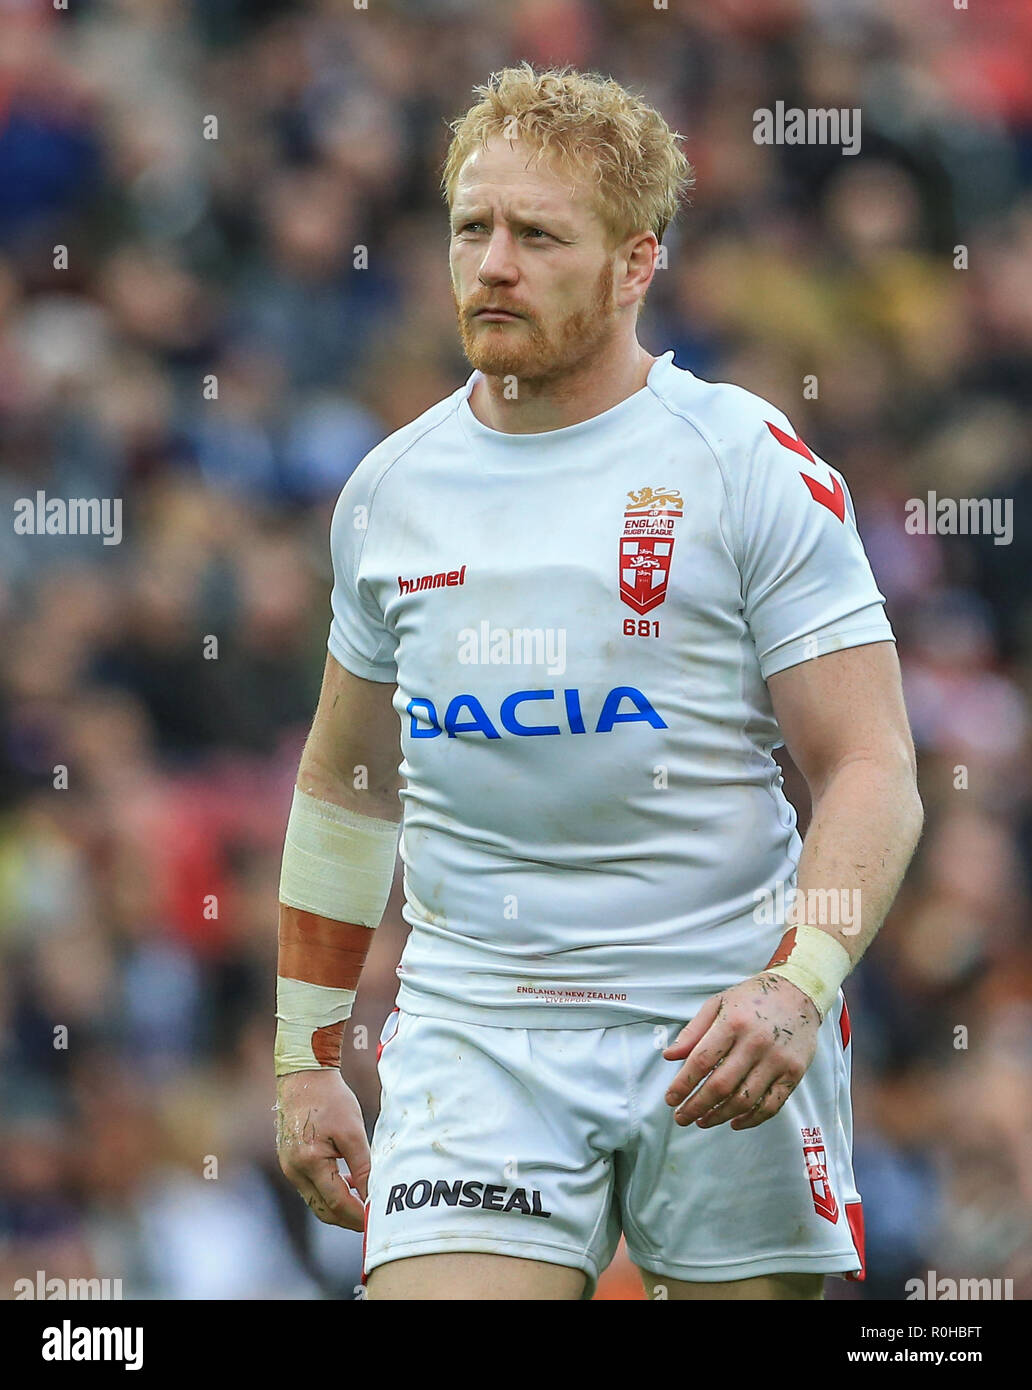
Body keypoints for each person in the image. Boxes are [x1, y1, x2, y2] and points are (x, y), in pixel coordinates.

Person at [273, 63, 923, 1301]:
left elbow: (872, 767)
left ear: (635, 263)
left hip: (722, 1027)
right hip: (478, 1029)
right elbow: (349, 784)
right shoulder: (391, 491)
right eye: (472, 227)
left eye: (536, 234)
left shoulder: (740, 463)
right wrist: (302, 1053)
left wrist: (798, 985)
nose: (493, 264)